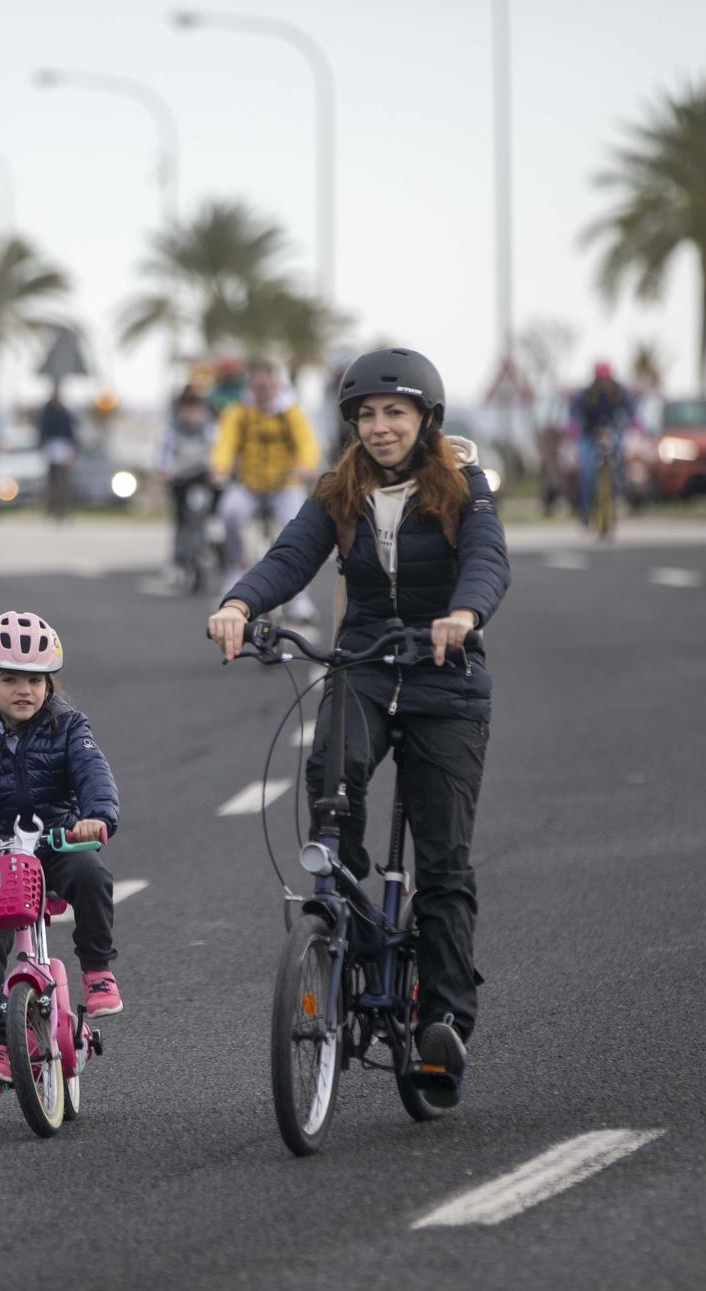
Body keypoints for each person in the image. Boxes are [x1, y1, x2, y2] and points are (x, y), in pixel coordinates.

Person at [206, 346, 509, 1111]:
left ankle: (442, 1021)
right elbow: (290, 556)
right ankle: (336, 899)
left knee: (444, 865)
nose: (379, 427)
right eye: (366, 415)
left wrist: (464, 615)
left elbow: (487, 560)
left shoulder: (463, 488)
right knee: (332, 769)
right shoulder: (339, 491)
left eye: (395, 413)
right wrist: (242, 605)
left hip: (447, 675)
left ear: (426, 419)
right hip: (368, 661)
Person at [0, 612, 124, 1090]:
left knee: (92, 875)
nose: (24, 690)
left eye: (35, 680)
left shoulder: (69, 727)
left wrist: (95, 817)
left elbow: (93, 773)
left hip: (56, 838)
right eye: (9, 678)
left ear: (49, 685)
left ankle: (97, 968)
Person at [211, 358, 323, 622]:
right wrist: (220, 467)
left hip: (285, 485)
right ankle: (237, 568)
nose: (262, 391)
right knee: (230, 513)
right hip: (249, 484)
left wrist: (306, 467)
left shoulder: (290, 412)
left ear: (276, 385)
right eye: (257, 386)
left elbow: (307, 442)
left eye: (267, 385)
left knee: (296, 530)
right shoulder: (240, 412)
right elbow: (225, 442)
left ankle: (299, 600)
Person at [157, 388, 219, 575]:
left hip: (201, 478)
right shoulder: (173, 430)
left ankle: (204, 547)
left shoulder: (209, 429)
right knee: (181, 519)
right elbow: (163, 454)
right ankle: (178, 558)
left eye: (195, 410)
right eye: (188, 410)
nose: (191, 415)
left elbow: (218, 452)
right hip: (180, 479)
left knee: (202, 514)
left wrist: (217, 470)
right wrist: (164, 470)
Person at [569, 360, 635, 524]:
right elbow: (575, 411)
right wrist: (573, 424)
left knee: (621, 454)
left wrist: (634, 422)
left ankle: (619, 488)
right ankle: (585, 510)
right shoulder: (586, 394)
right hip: (590, 435)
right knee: (587, 472)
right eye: (600, 379)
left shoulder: (619, 392)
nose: (604, 383)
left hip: (612, 433)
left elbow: (631, 410)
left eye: (606, 379)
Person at [38, 387, 80, 521]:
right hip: (52, 448)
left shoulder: (65, 413)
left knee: (64, 481)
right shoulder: (47, 413)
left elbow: (71, 432)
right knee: (52, 481)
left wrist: (73, 448)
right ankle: (51, 509)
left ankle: (63, 510)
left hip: (63, 448)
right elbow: (43, 431)